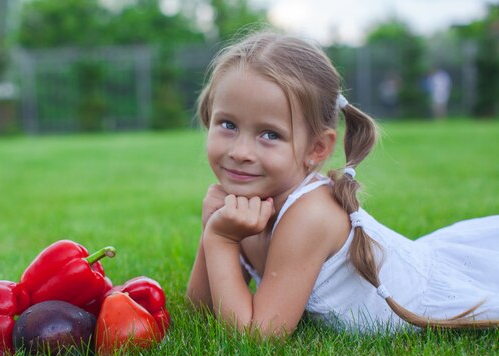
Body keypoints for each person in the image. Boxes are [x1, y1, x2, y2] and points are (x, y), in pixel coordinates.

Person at [186, 31, 499, 337]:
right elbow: (201, 313)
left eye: (270, 134)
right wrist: (212, 230)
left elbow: (257, 337)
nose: (240, 152)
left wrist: (221, 240)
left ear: (317, 149)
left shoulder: (310, 214)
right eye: (228, 125)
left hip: (434, 292)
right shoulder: (246, 204)